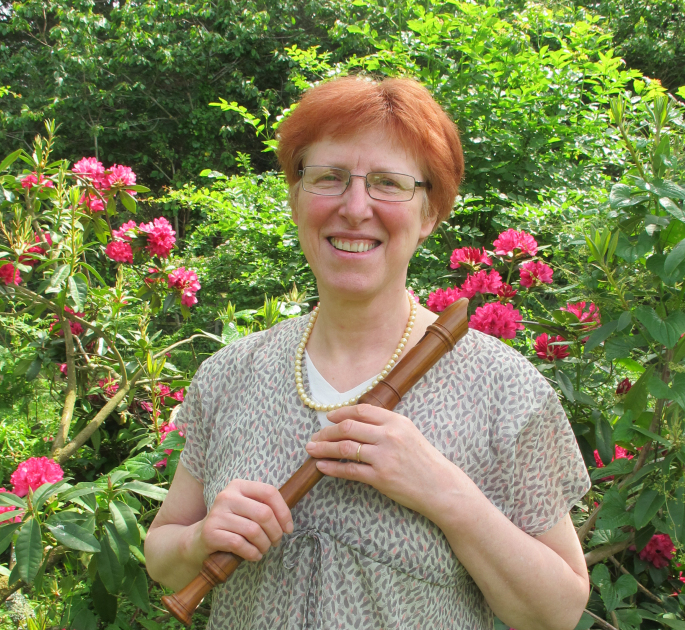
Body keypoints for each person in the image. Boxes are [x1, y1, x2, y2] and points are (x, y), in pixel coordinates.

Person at [145, 76, 591, 630]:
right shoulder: (230, 374)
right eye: (328, 177)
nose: (356, 208)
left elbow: (557, 612)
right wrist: (198, 540)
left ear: (429, 214)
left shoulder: (504, 388)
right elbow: (162, 557)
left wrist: (447, 494)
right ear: (296, 198)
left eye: (388, 183)